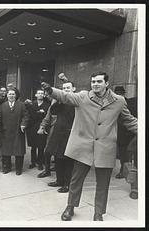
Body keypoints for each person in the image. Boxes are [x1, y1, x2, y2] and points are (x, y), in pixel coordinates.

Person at [41, 71, 137, 221]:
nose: (95, 84)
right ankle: (70, 207)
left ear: (106, 83)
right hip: (83, 146)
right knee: (76, 179)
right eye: (93, 82)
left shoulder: (119, 101)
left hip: (105, 148)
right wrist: (50, 90)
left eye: (99, 82)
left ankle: (98, 213)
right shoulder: (83, 96)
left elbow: (129, 120)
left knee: (103, 184)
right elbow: (66, 96)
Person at [38, 82, 75, 193]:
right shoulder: (59, 100)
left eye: (68, 88)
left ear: (73, 89)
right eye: (64, 88)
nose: (66, 90)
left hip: (70, 134)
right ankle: (59, 180)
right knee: (58, 158)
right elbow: (53, 111)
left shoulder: (77, 100)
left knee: (68, 161)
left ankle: (67, 184)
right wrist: (58, 100)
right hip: (58, 132)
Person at [0, 88, 29, 175]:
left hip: (18, 131)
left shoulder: (21, 105)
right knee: (6, 151)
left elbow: (26, 116)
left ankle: (18, 169)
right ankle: (7, 167)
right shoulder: (3, 106)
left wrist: (23, 124)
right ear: (7, 95)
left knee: (19, 151)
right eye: (9, 94)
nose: (11, 96)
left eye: (13, 94)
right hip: (6, 131)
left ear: (16, 95)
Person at [114, 86, 137, 179]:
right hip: (122, 133)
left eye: (120, 93)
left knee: (132, 153)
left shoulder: (132, 103)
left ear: (124, 94)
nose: (119, 95)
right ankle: (123, 170)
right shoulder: (114, 104)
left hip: (131, 132)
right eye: (117, 94)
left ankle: (131, 172)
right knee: (123, 153)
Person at [25, 89, 50, 170]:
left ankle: (40, 162)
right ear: (36, 95)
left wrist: (44, 113)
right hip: (32, 127)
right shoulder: (32, 104)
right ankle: (33, 162)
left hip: (41, 127)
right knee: (33, 146)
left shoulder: (47, 105)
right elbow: (29, 114)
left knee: (41, 146)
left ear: (44, 95)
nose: (40, 94)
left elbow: (48, 117)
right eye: (38, 93)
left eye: (42, 93)